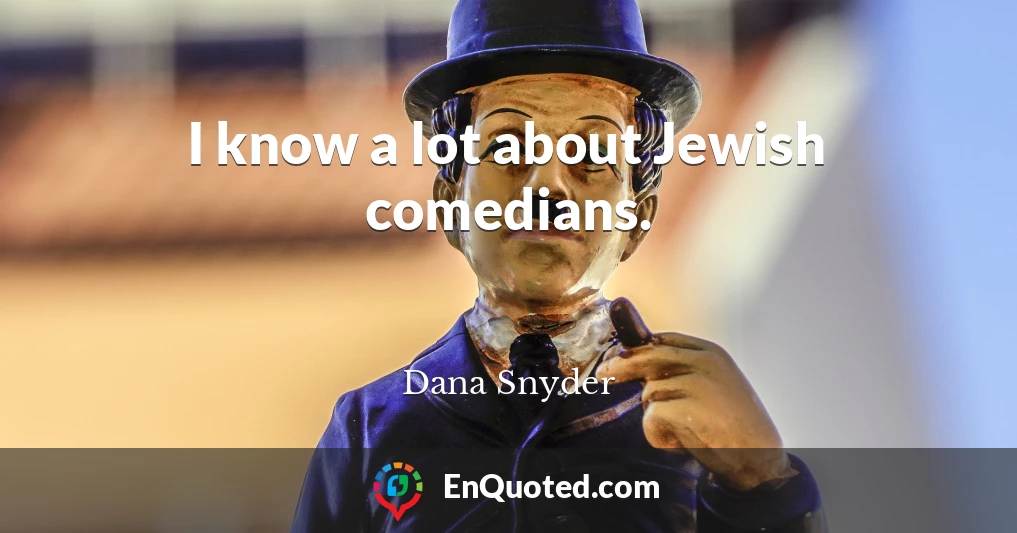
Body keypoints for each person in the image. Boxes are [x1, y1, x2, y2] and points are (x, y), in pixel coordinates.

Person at [292, 0, 825, 531]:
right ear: (451, 202)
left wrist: (764, 488)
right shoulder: (373, 429)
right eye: (506, 150)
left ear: (637, 217)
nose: (548, 187)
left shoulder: (697, 438)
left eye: (592, 156)